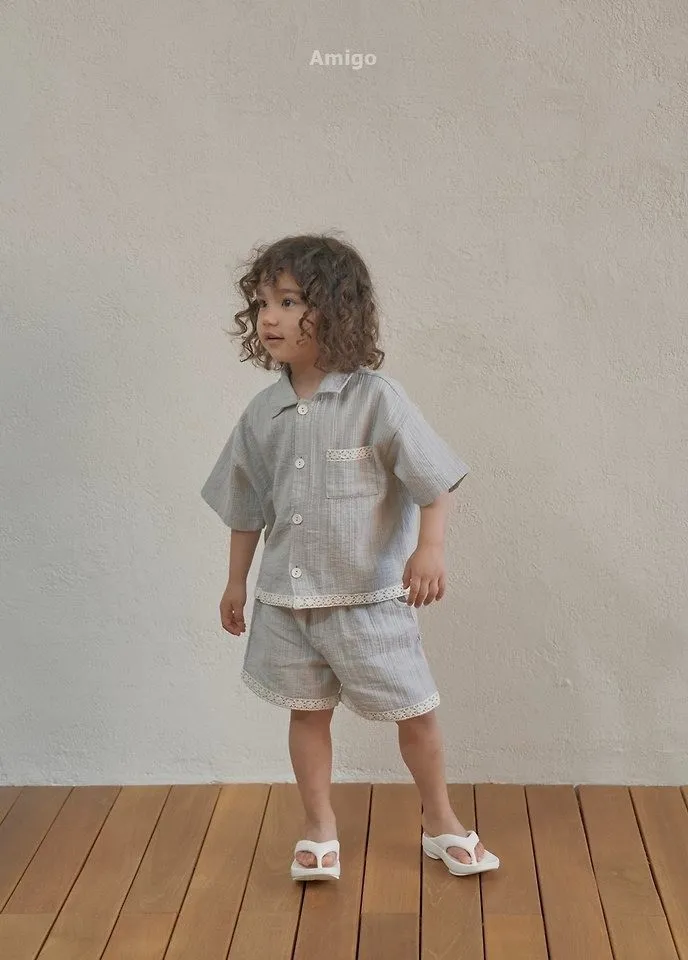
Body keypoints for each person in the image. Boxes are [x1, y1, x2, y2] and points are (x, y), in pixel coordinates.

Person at [201, 233, 500, 881]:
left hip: (370, 599)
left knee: (415, 712)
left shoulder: (376, 399)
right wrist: (234, 582)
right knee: (307, 714)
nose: (270, 317)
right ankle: (318, 827)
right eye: (262, 303)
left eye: (289, 302)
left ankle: (441, 820)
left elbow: (434, 480)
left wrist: (430, 548)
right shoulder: (262, 414)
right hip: (289, 602)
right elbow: (245, 505)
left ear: (334, 310)